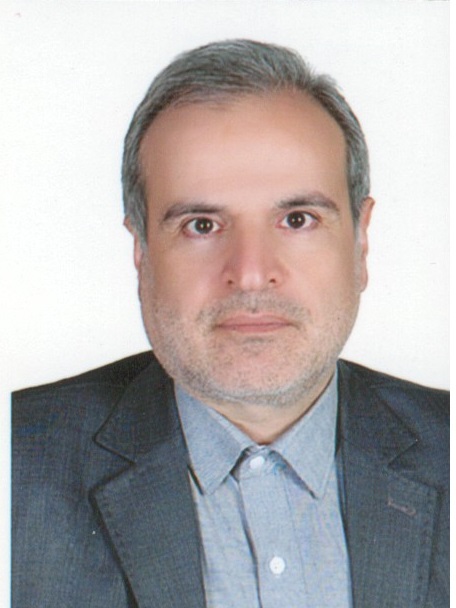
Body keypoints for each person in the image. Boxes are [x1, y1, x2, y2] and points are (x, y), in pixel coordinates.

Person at [12, 39, 448, 608]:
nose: (249, 273)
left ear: (361, 242)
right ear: (141, 250)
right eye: (201, 225)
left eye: (297, 219)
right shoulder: (16, 464)